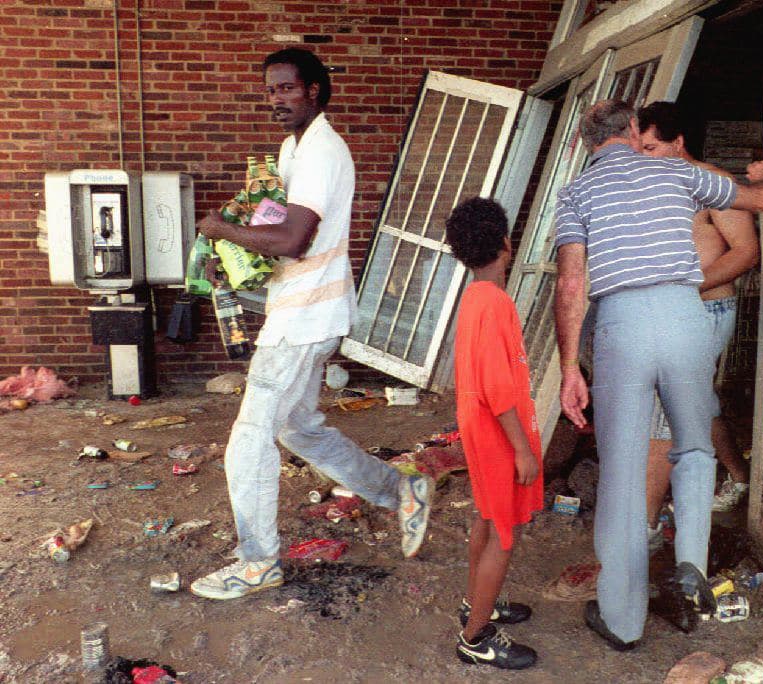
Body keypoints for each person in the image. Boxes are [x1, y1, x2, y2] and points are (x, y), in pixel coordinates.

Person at [189, 47, 433, 600]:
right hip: (301, 311)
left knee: (249, 441)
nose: (275, 99)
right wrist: (230, 256)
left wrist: (220, 229)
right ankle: (402, 492)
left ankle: (258, 563)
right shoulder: (291, 148)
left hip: (304, 319)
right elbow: (273, 231)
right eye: (270, 90)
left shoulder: (323, 150)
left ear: (314, 91)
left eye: (286, 88)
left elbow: (294, 240)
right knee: (296, 428)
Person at [553, 100, 763, 648]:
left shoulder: (576, 193)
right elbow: (761, 200)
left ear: (585, 143)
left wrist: (568, 368)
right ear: (634, 129)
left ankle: (623, 621)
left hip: (622, 324)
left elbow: (571, 286)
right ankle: (690, 564)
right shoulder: (680, 173)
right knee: (694, 446)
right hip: (685, 313)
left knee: (623, 472)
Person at [635, 102, 758, 545]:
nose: (643, 157)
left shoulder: (712, 183)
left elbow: (746, 252)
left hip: (704, 312)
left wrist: (690, 286)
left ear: (679, 142)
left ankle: (645, 527)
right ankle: (740, 476)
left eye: (650, 148)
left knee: (666, 412)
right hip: (665, 313)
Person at [445, 197, 542, 670]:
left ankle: (477, 603)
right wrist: (522, 448)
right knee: (503, 534)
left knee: (487, 519)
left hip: (480, 429)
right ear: (506, 242)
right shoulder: (495, 302)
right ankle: (475, 637)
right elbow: (497, 388)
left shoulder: (474, 298)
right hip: (497, 435)